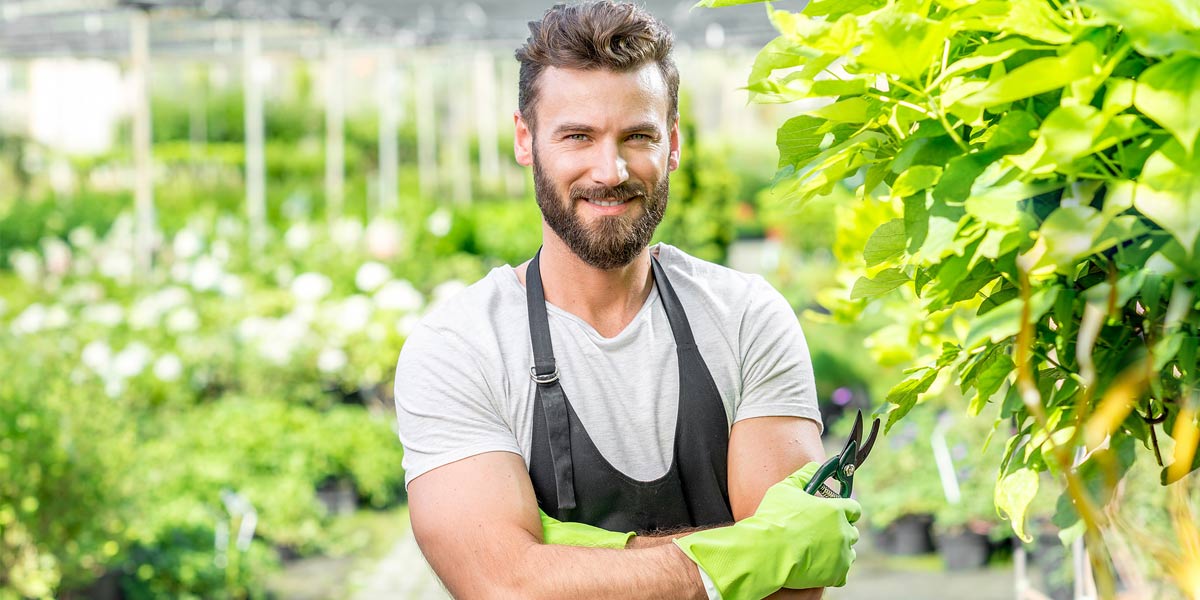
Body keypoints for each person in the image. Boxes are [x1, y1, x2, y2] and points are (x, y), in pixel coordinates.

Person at [392, 2, 861, 598]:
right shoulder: (460, 348)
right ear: (525, 140)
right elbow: (505, 586)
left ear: (673, 144)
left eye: (637, 135)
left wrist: (569, 553)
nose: (609, 170)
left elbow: (796, 584)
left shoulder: (745, 318)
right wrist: (753, 548)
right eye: (577, 136)